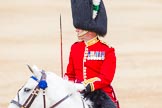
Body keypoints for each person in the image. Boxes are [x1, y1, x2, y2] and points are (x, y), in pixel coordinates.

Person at [64, 0, 120, 108]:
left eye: (80, 27)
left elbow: (105, 78)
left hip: (99, 94)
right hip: (77, 92)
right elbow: (70, 74)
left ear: (90, 29)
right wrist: (66, 84)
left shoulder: (107, 50)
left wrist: (86, 86)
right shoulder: (75, 48)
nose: (77, 30)